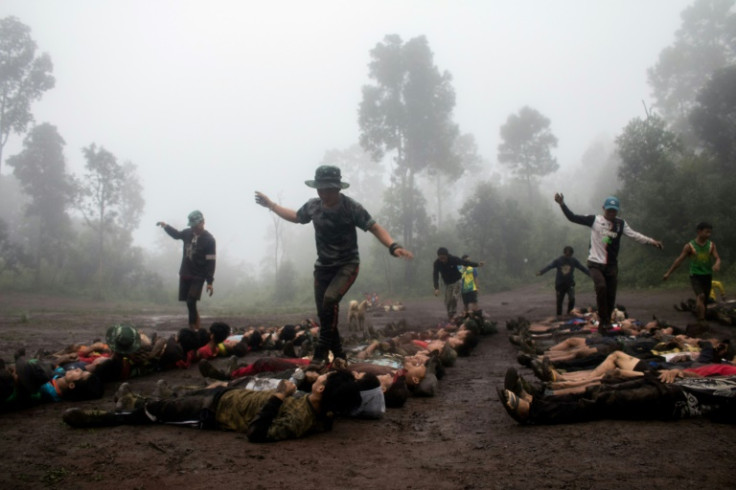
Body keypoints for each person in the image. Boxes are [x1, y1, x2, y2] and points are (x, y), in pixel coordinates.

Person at [255, 165, 413, 367]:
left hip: (347, 266)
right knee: (325, 313)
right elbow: (295, 217)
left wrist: (393, 246)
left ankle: (320, 352)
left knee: (330, 300)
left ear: (338, 189)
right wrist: (272, 205)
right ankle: (339, 355)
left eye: (327, 189)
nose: (323, 193)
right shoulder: (313, 206)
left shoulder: (351, 207)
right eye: (320, 189)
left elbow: (374, 227)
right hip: (323, 268)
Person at [62, 370, 361, 443]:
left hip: (213, 414)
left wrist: (279, 396)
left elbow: (257, 433)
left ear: (321, 388)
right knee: (170, 403)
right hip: (225, 398)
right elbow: (326, 412)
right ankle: (132, 401)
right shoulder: (319, 410)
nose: (321, 373)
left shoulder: (302, 418)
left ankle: (101, 418)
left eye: (324, 376)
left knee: (157, 414)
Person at [554, 193, 663, 333]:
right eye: (609, 210)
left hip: (611, 266)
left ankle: (606, 323)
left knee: (611, 295)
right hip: (595, 263)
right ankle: (602, 319)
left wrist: (652, 241)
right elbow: (572, 217)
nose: (611, 213)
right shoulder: (594, 220)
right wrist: (562, 204)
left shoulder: (620, 224)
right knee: (601, 286)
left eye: (614, 210)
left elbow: (635, 235)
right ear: (603, 208)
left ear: (617, 211)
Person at [156, 210, 216, 330]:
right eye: (192, 226)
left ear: (203, 222)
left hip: (199, 276)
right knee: (190, 303)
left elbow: (211, 261)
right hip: (185, 273)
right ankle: (197, 327)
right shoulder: (187, 233)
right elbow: (177, 234)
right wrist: (166, 226)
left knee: (190, 301)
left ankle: (192, 328)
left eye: (195, 225)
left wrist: (209, 282)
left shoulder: (209, 240)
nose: (193, 228)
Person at [663, 222, 722, 324]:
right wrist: (668, 273)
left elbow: (717, 258)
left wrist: (717, 264)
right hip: (695, 275)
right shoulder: (690, 246)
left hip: (707, 275)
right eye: (706, 232)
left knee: (705, 300)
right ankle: (701, 321)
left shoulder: (711, 245)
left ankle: (701, 315)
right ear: (699, 232)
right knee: (701, 296)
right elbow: (679, 260)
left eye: (710, 233)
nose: (709, 235)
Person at [536, 246, 590, 317]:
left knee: (572, 298)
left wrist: (590, 274)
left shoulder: (573, 260)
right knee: (559, 301)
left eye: (569, 255)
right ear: (564, 253)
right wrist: (541, 272)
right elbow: (549, 266)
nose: (568, 256)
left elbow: (582, 268)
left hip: (570, 284)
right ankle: (559, 316)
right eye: (567, 254)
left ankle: (570, 313)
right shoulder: (558, 260)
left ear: (571, 254)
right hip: (560, 285)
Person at [433, 248, 484, 320]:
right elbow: (435, 275)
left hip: (457, 281)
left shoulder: (454, 259)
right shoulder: (437, 263)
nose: (442, 260)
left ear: (447, 255)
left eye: (444, 258)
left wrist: (477, 264)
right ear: (438, 257)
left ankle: (453, 313)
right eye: (440, 258)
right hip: (448, 284)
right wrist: (436, 288)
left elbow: (465, 263)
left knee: (454, 297)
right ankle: (450, 315)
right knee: (448, 300)